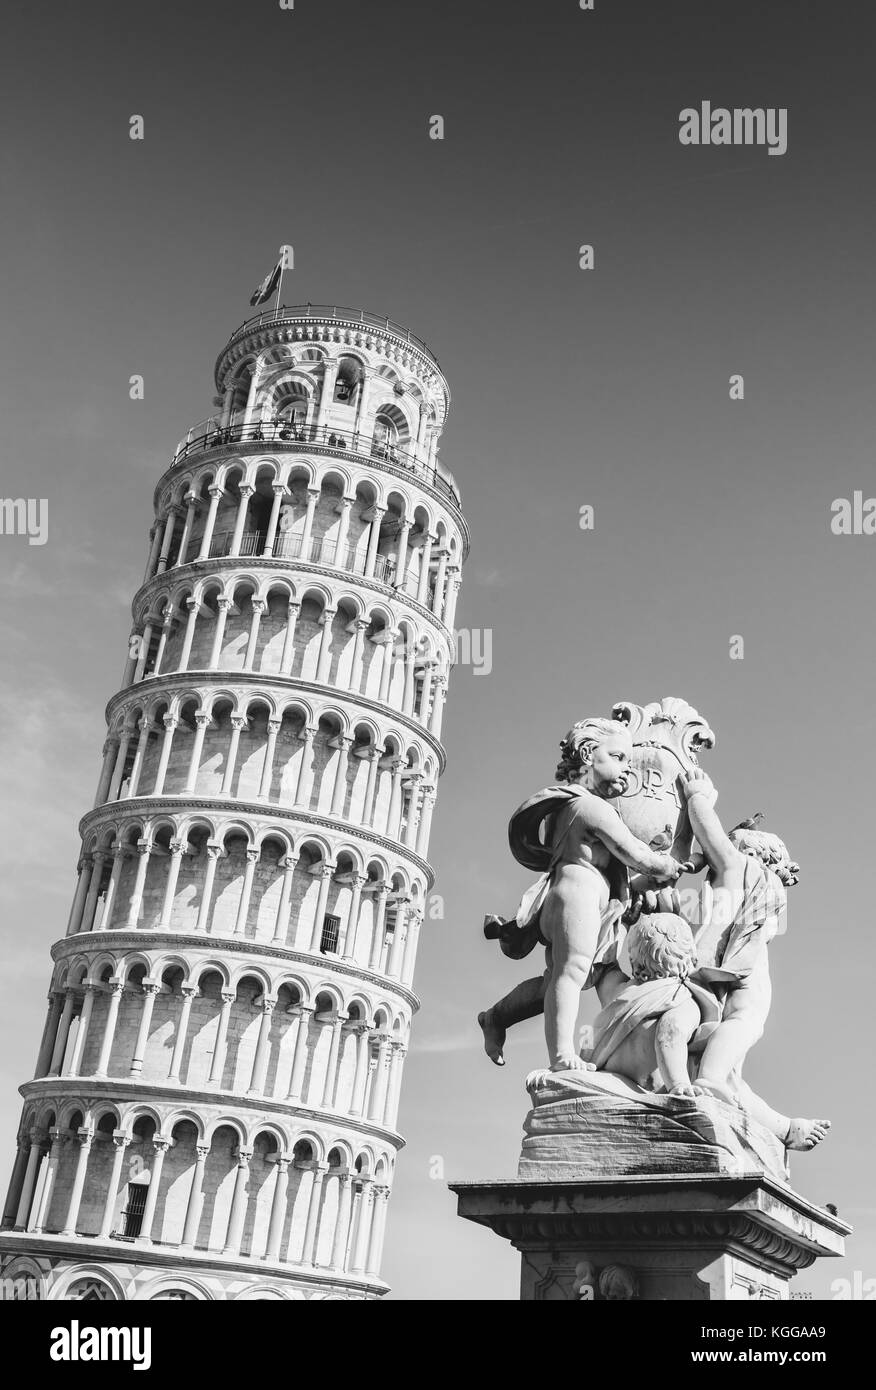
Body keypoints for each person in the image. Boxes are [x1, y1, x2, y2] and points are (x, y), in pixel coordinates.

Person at [477, 718, 690, 1072]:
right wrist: (666, 865)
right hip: (577, 892)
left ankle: (496, 1017)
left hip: (581, 893)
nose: (627, 768)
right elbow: (637, 855)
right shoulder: (591, 807)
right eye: (619, 757)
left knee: (558, 978)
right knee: (571, 973)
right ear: (590, 754)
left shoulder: (572, 805)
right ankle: (561, 1057)